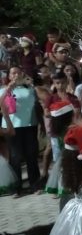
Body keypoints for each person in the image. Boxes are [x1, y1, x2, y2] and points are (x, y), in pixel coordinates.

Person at [1, 67, 41, 197]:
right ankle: (16, 188)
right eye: (13, 72)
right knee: (15, 157)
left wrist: (32, 84)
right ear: (9, 76)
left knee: (31, 155)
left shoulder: (29, 88)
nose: (16, 75)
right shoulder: (2, 89)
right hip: (12, 127)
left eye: (18, 72)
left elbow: (40, 99)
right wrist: (9, 88)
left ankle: (35, 185)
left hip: (30, 124)